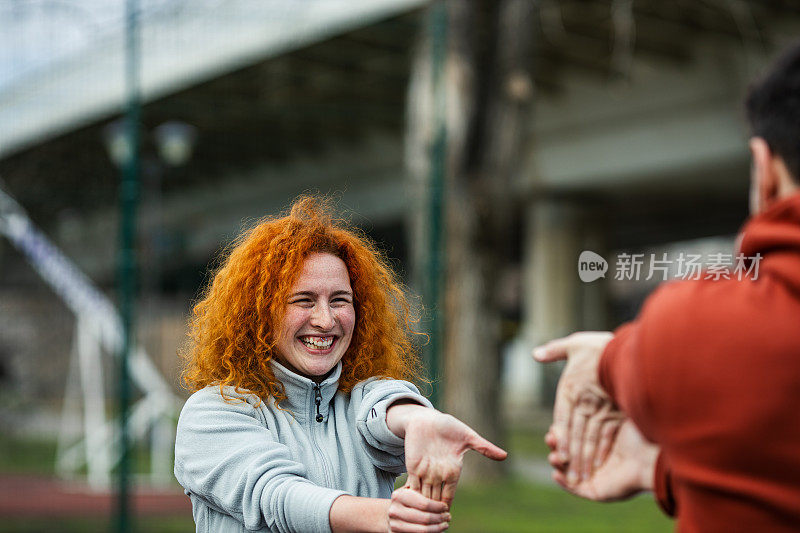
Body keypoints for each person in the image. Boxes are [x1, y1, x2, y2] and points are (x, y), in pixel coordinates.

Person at [534, 41, 800, 532]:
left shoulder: (701, 323)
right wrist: (661, 472)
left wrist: (607, 357)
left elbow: (655, 356)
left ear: (766, 168)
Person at [174, 196, 507, 533]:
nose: (325, 319)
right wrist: (384, 515)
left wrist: (420, 418)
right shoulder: (210, 413)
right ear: (258, 314)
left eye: (339, 300)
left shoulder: (361, 398)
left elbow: (384, 408)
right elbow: (275, 497)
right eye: (303, 300)